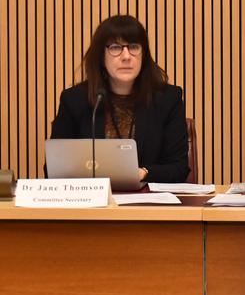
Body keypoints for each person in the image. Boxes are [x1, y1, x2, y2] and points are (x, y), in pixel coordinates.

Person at [50, 15, 189, 183]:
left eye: (134, 47)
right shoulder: (75, 100)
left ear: (143, 54)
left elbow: (179, 168)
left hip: (149, 204)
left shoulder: (167, 99)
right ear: (101, 56)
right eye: (115, 47)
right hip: (92, 204)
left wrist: (143, 173)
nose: (126, 56)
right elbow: (54, 168)